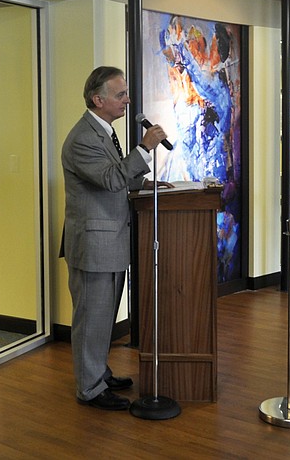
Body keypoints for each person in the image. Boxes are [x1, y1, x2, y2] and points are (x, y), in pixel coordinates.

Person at [61, 66, 169, 411]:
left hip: (111, 241)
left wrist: (146, 184)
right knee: (91, 318)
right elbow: (109, 179)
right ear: (98, 99)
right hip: (93, 244)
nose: (128, 100)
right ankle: (89, 389)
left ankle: (99, 373)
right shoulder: (82, 138)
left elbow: (118, 178)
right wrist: (144, 147)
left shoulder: (104, 132)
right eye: (120, 94)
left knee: (102, 317)